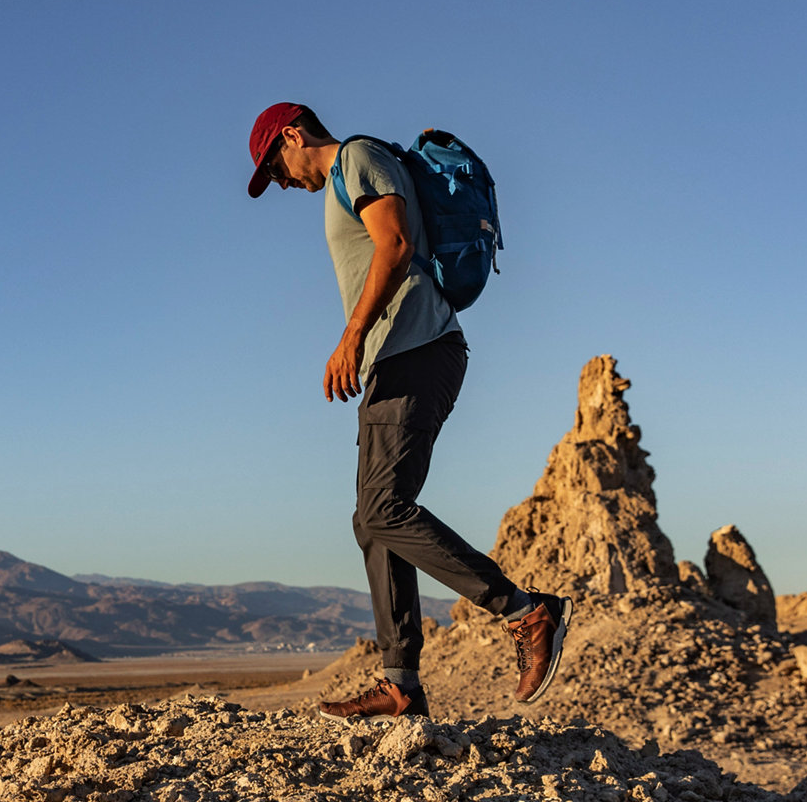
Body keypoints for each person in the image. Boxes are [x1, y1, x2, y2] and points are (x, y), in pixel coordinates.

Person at [245, 102, 572, 722]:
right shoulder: (344, 178)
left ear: (293, 135)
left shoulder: (357, 158)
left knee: (384, 507)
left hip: (418, 348)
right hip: (394, 360)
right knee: (371, 520)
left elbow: (393, 244)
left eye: (274, 166)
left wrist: (351, 336)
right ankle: (401, 685)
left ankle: (528, 612)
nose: (281, 181)